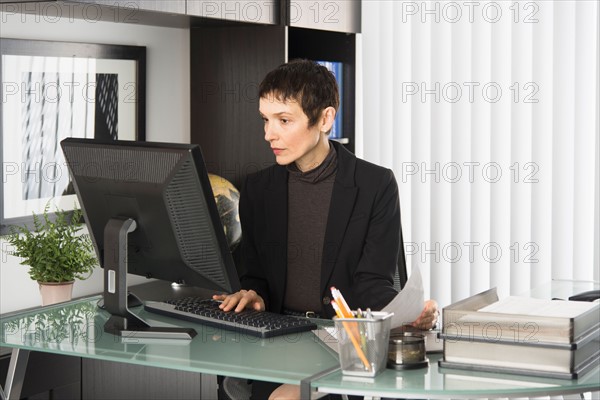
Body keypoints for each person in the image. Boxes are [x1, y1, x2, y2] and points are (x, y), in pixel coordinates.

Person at [214, 59, 438, 400]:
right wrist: (253, 294)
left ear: (325, 119)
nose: (268, 134)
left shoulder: (374, 185)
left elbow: (373, 282)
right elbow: (256, 275)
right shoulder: (258, 189)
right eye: (265, 119)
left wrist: (412, 311)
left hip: (340, 342)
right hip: (277, 338)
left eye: (284, 120)